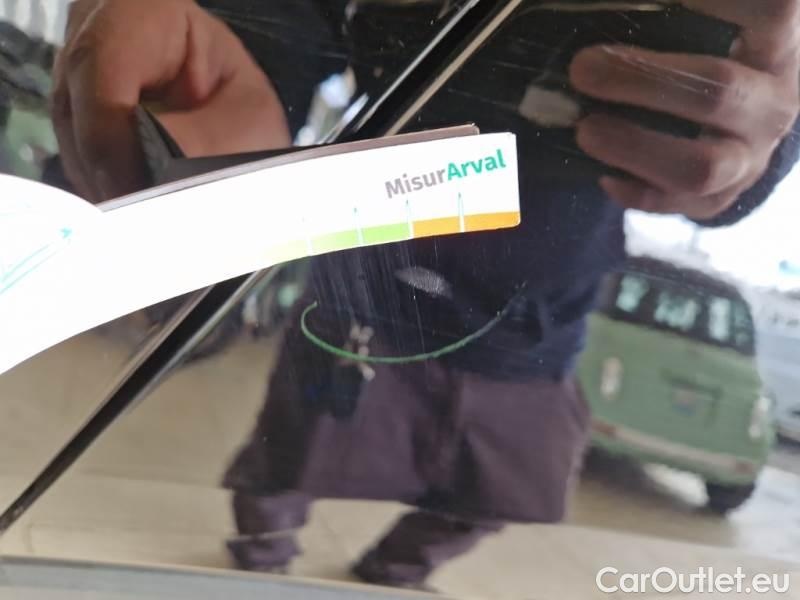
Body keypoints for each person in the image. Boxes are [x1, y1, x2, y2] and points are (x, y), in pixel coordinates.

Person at [52, 0, 800, 590]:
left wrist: (751, 144)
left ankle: (388, 574)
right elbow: (292, 19)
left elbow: (758, 104)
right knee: (288, 464)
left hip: (534, 324)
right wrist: (233, 49)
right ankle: (264, 556)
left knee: (506, 493)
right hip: (375, 289)